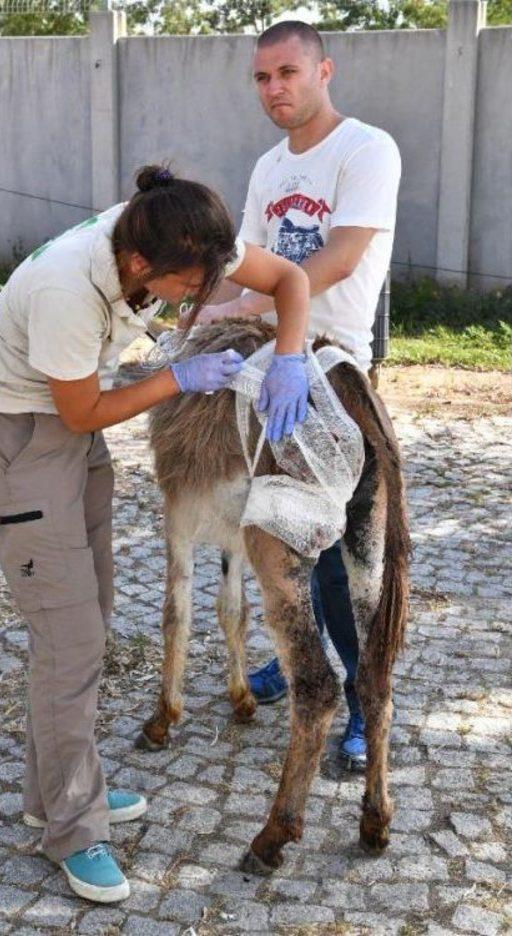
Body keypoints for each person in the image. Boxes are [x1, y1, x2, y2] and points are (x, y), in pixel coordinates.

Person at [0, 165, 311, 904]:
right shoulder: (66, 289)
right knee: (71, 637)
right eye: (192, 290)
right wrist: (179, 380)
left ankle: (52, 790)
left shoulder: (177, 230)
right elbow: (84, 411)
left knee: (88, 620)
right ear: (141, 266)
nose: (201, 302)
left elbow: (289, 282)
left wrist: (290, 356)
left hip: (69, 434)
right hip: (20, 438)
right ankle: (73, 829)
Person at [196, 21, 402, 767]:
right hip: (267, 371)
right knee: (280, 539)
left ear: (324, 71)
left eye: (288, 72)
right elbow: (245, 270)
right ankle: (298, 667)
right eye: (262, 78)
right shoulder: (267, 168)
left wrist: (272, 310)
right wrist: (201, 306)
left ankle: (362, 703)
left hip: (330, 373)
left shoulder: (366, 150)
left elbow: (342, 258)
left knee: (347, 558)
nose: (274, 89)